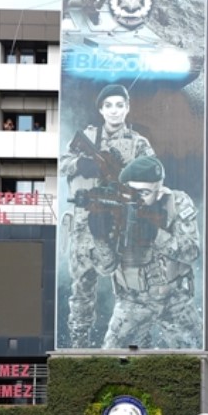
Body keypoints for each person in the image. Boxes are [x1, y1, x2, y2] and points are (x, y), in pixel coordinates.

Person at [62, 82, 157, 347]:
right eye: (108, 106)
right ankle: (77, 346)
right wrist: (81, 163)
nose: (114, 111)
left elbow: (153, 177)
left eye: (119, 105)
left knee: (131, 292)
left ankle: (131, 345)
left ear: (127, 109)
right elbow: (62, 163)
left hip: (121, 224)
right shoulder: (88, 137)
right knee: (81, 288)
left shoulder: (139, 143)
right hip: (84, 224)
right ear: (101, 110)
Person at [97, 156, 201, 350]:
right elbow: (105, 268)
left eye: (143, 192)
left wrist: (156, 235)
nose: (136, 198)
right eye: (130, 191)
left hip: (175, 299)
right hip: (132, 301)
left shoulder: (176, 202)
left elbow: (192, 252)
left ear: (159, 191)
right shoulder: (114, 209)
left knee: (194, 358)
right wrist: (99, 238)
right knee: (110, 360)